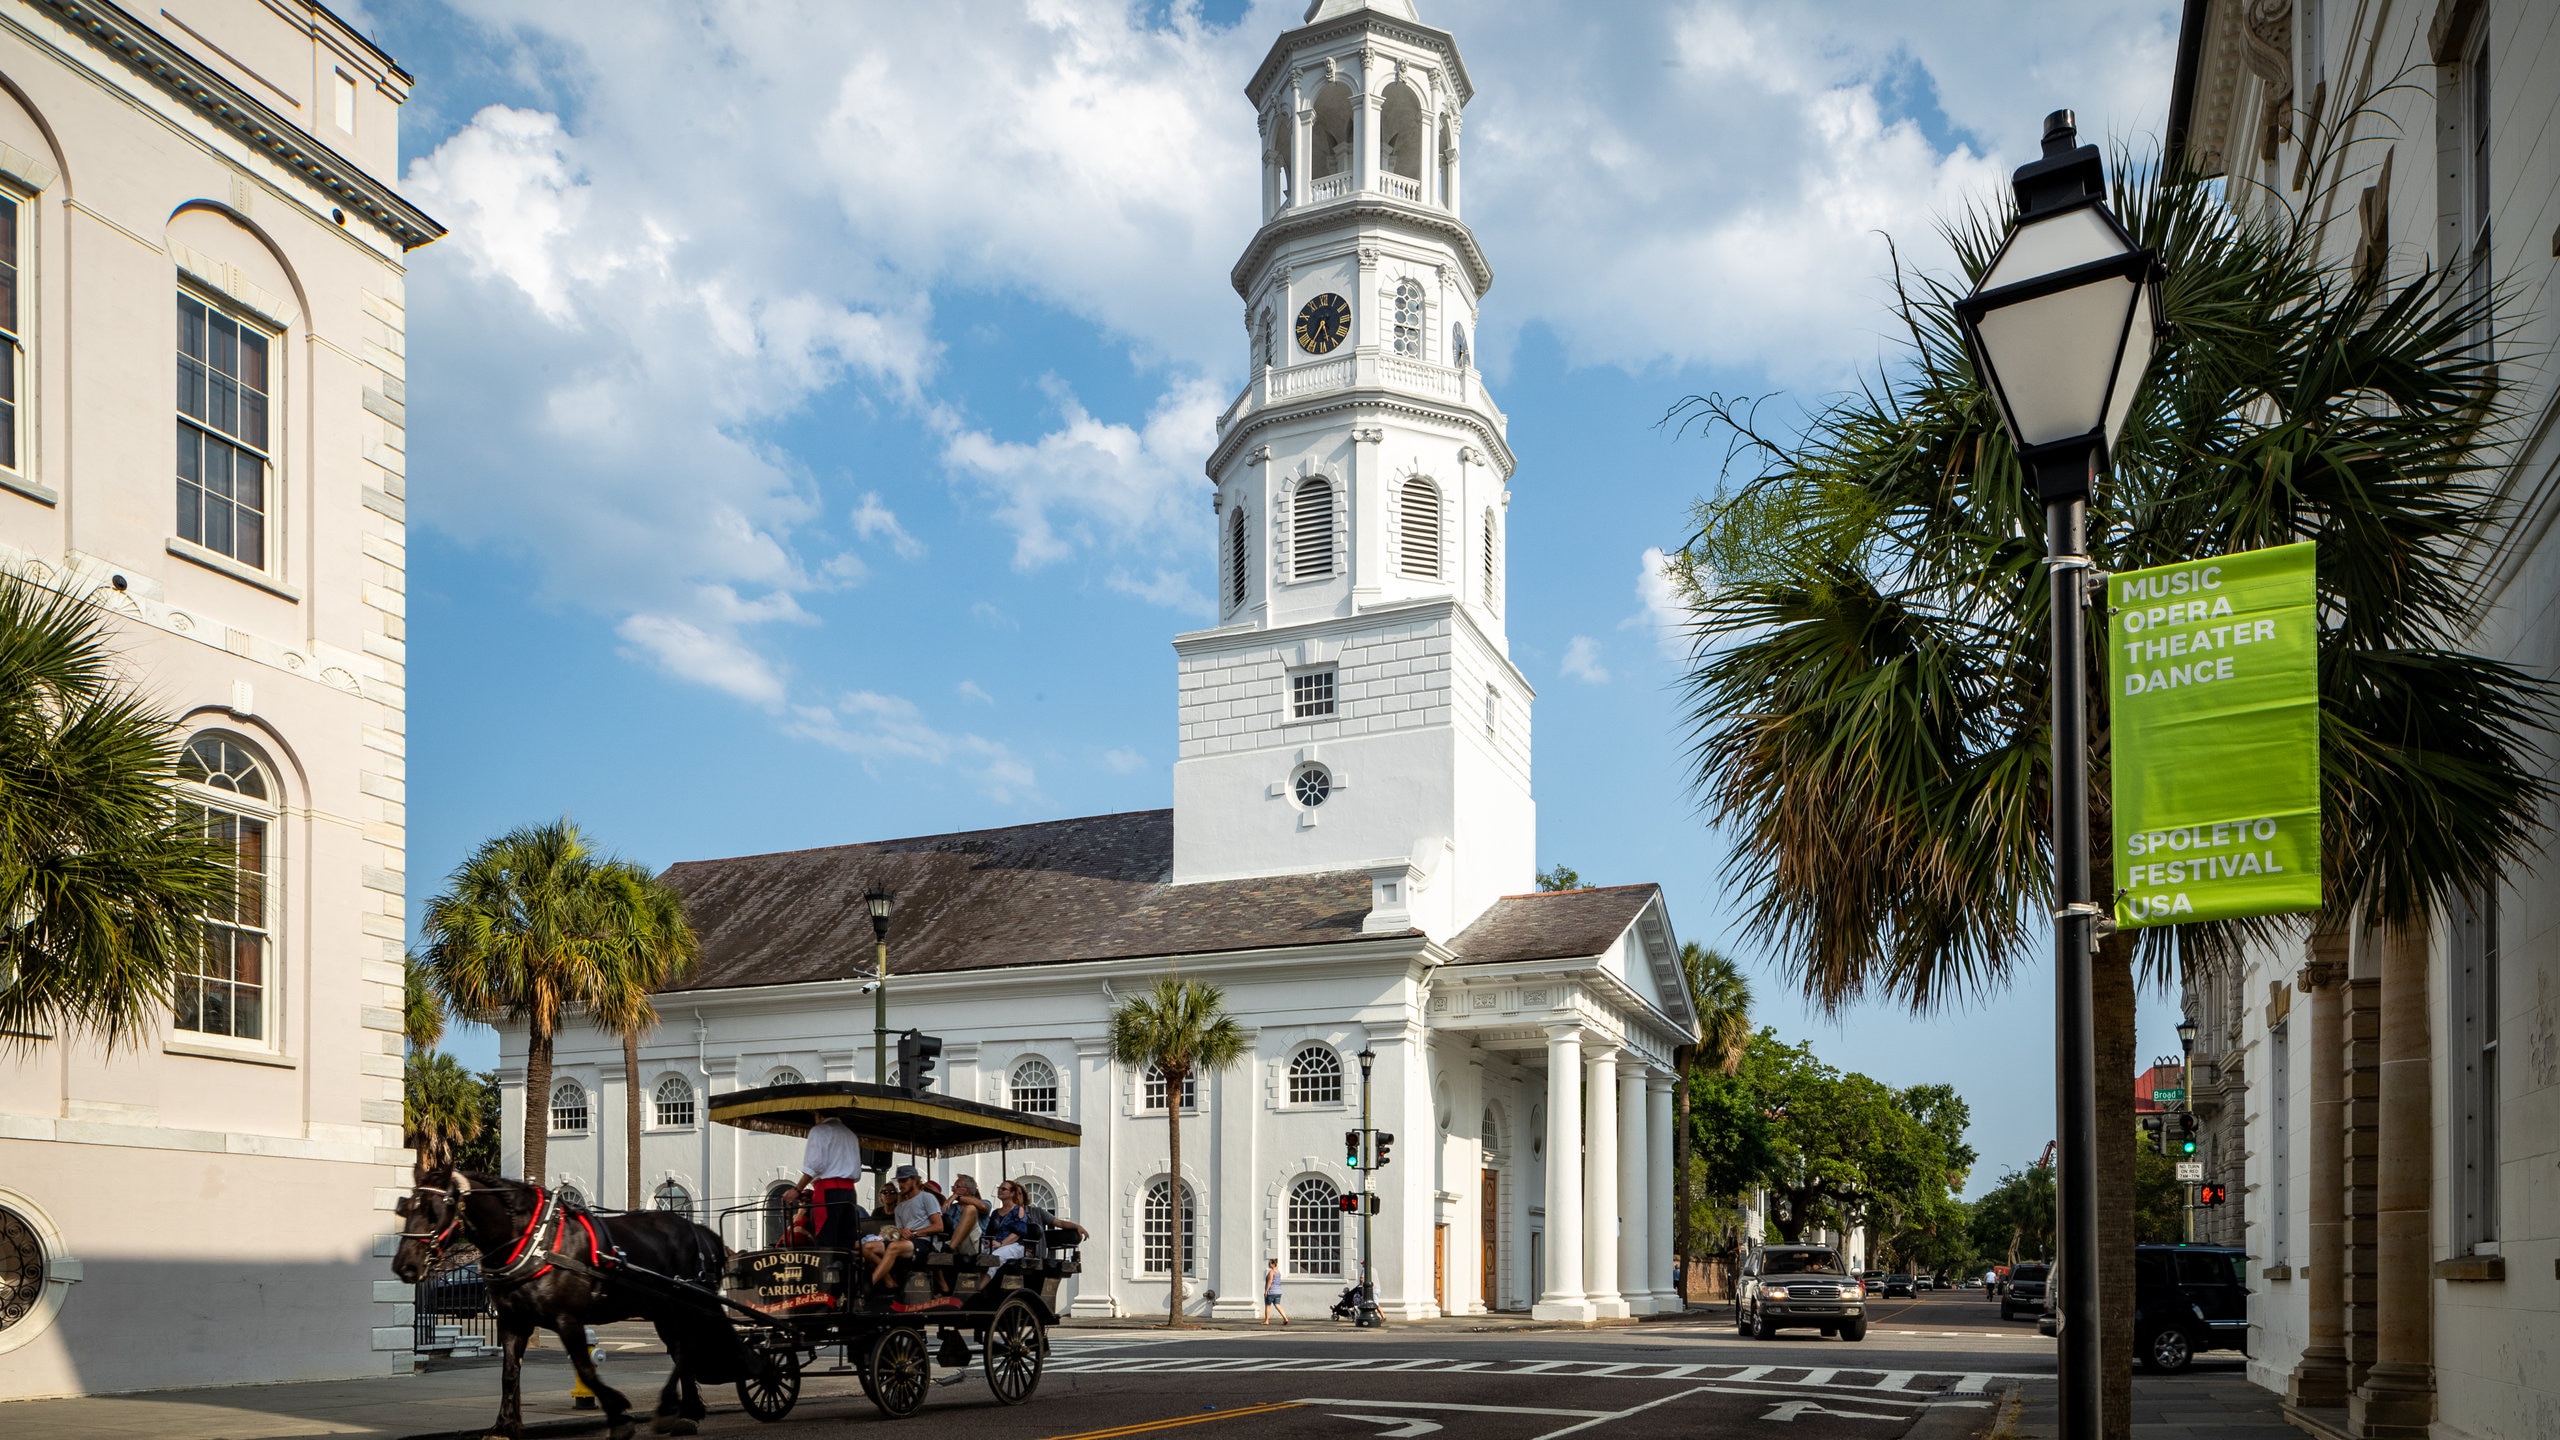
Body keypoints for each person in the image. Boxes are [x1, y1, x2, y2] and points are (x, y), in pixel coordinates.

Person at [862, 1165, 947, 1292]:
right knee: (867, 1247)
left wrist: (915, 1233)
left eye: (904, 1180)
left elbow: (939, 1226)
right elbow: (900, 1231)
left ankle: (868, 1286)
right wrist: (901, 1231)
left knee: (893, 1247)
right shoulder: (900, 1207)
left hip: (925, 1242)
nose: (901, 1184)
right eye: (899, 1181)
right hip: (905, 1242)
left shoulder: (926, 1198)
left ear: (914, 1180)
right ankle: (889, 1281)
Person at [791, 1115, 867, 1248]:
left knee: (826, 1238)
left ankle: (826, 1267)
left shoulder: (819, 1130)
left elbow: (814, 1166)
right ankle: (844, 1267)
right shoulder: (851, 1135)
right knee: (846, 1240)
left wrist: (797, 1189)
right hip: (849, 1193)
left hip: (828, 1192)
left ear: (818, 1114)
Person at [1261, 1258, 1288, 1326]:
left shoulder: (1271, 1272)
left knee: (1268, 1306)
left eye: (1269, 1263)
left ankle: (1266, 1320)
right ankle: (1285, 1318)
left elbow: (1270, 1282)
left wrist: (1266, 1291)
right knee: (1277, 1305)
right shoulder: (1278, 1272)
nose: (1268, 1264)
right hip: (1278, 1292)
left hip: (1271, 1292)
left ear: (1273, 1264)